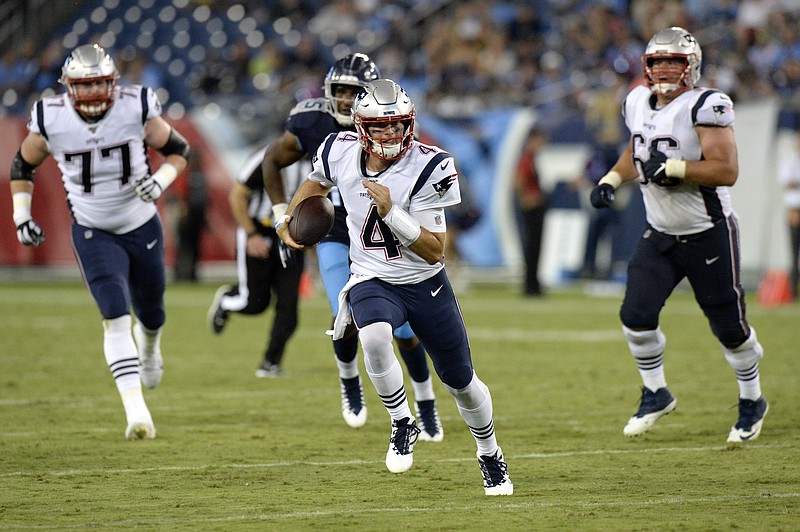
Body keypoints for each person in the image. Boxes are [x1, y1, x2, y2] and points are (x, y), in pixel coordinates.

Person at [277, 79, 513, 495]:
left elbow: (434, 252)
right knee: (373, 335)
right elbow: (316, 181)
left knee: (462, 383)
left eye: (398, 125)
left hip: (424, 284)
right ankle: (403, 421)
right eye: (381, 126)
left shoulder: (431, 165)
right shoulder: (338, 149)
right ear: (361, 127)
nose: (391, 134)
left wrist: (391, 213)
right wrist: (289, 218)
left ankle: (489, 454)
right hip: (372, 277)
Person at [590, 27, 768, 443]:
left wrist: (673, 169)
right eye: (658, 62)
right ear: (646, 67)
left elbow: (726, 170)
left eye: (675, 61)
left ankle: (751, 399)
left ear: (692, 67)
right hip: (662, 233)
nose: (666, 69)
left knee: (729, 328)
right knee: (635, 316)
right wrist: (613, 179)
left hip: (707, 233)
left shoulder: (707, 105)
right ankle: (656, 392)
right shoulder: (636, 100)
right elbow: (637, 148)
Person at [9, 44, 190, 440]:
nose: (91, 93)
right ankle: (135, 410)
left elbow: (178, 150)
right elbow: (23, 164)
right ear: (68, 87)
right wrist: (20, 214)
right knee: (114, 315)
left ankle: (152, 344)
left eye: (98, 84)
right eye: (83, 85)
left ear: (112, 83)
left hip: (140, 224)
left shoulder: (135, 105)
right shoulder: (51, 116)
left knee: (152, 312)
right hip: (92, 227)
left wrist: (158, 182)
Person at [261, 54, 443, 440]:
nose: (345, 99)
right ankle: (349, 381)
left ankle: (426, 400)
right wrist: (282, 215)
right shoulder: (312, 124)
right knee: (342, 316)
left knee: (407, 329)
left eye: (353, 91)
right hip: (334, 230)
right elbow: (271, 159)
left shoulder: (391, 127)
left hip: (382, 234)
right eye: (339, 91)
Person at [207, 146, 305, 377]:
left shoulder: (326, 155)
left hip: (291, 236)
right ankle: (226, 300)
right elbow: (237, 195)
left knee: (289, 307)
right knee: (255, 303)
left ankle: (270, 363)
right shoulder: (268, 155)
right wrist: (251, 235)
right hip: (260, 230)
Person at [514, 126, 548, 296]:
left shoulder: (530, 158)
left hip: (535, 207)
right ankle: (531, 286)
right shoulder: (526, 159)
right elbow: (518, 181)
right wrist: (526, 198)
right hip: (532, 208)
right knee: (533, 248)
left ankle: (534, 284)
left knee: (535, 248)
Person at [778, 130, 800, 300]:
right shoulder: (791, 161)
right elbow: (786, 183)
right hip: (795, 212)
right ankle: (793, 290)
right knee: (794, 254)